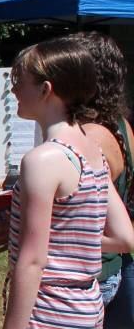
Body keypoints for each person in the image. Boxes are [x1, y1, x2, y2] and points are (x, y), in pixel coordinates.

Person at [0, 37, 134, 329]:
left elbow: (33, 260)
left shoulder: (43, 160)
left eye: (18, 82)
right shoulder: (91, 150)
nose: (13, 91)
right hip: (86, 310)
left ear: (46, 89)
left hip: (49, 316)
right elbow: (125, 237)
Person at [66, 32, 134, 311]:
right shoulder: (120, 124)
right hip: (104, 267)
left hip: (88, 271)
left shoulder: (90, 136)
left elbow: (71, 215)